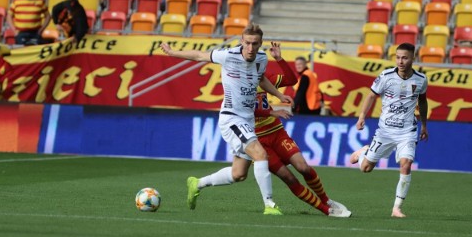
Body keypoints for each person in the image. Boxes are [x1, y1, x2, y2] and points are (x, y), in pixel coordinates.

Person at [159, 23, 293, 215]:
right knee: (260, 154)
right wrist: (173, 53)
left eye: (255, 44)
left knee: (238, 174)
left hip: (247, 120)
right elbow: (199, 56)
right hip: (231, 118)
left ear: (260, 43)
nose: (250, 48)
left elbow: (261, 79)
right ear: (241, 41)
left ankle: (197, 184)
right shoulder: (228, 55)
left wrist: (279, 96)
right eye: (247, 43)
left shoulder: (262, 59)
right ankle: (270, 205)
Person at [255, 43, 351, 218]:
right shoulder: (237, 82)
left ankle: (326, 200)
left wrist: (279, 59)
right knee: (288, 177)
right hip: (257, 140)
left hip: (275, 131)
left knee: (304, 167)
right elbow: (242, 108)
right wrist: (272, 111)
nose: (260, 67)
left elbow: (292, 80)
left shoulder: (265, 77)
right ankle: (326, 211)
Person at [350, 43, 428, 218]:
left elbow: (422, 101)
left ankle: (397, 208)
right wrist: (362, 116)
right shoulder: (385, 76)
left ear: (412, 59)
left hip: (407, 131)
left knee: (406, 164)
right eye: (398, 57)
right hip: (385, 131)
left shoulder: (420, 80)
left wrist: (424, 125)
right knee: (366, 168)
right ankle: (364, 152)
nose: (400, 61)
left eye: (405, 57)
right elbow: (371, 95)